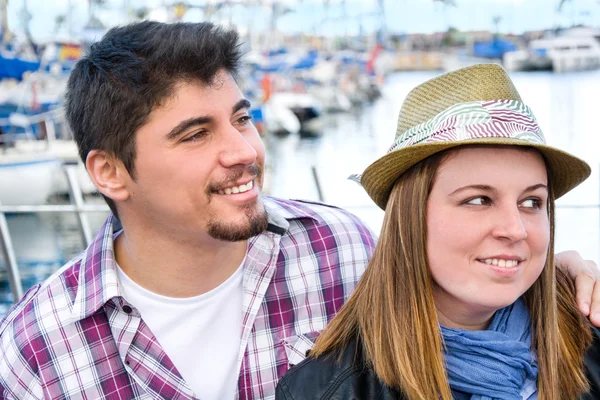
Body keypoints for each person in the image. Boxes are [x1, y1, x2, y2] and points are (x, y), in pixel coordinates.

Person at [0, 23, 596, 400]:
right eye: (194, 134)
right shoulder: (37, 351)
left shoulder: (339, 244)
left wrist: (558, 274)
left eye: (242, 118)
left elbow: (454, 285)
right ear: (109, 172)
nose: (244, 151)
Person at [275, 64, 600, 400]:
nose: (515, 229)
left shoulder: (587, 340)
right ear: (410, 218)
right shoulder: (327, 390)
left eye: (531, 202)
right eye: (478, 199)